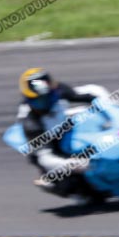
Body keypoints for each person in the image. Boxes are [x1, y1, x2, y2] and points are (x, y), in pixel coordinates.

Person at [16, 67, 110, 201]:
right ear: (29, 100)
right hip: (46, 144)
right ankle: (65, 187)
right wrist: (74, 164)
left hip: (64, 126)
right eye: (40, 101)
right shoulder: (31, 124)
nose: (46, 103)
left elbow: (91, 92)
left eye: (50, 97)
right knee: (65, 179)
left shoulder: (57, 90)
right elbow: (45, 158)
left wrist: (111, 104)